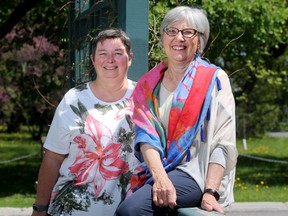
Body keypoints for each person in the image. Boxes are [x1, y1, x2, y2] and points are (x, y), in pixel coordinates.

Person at [115, 6, 238, 216]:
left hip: (195, 174)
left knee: (131, 211)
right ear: (163, 37)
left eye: (188, 32)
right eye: (171, 31)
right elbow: (146, 138)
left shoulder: (214, 80)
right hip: (157, 171)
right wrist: (161, 178)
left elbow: (223, 142)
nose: (178, 38)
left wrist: (211, 191)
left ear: (199, 40)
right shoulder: (148, 84)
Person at [31, 28, 139, 216]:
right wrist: (40, 208)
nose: (110, 60)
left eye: (118, 53)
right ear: (92, 59)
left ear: (130, 58)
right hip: (74, 208)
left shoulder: (144, 98)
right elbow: (53, 157)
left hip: (129, 209)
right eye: (103, 54)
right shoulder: (74, 100)